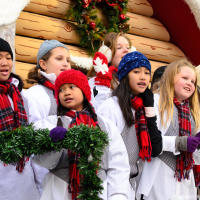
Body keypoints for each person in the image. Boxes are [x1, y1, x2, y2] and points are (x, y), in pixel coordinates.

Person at [32, 69, 130, 200]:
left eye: (72, 87)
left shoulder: (104, 125)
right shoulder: (51, 123)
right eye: (61, 90)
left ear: (84, 90)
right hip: (59, 191)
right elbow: (43, 162)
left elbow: (118, 163)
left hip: (97, 191)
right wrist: (54, 143)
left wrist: (118, 195)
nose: (66, 92)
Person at [97, 51, 163, 199]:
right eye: (136, 71)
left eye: (147, 73)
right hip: (109, 185)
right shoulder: (110, 107)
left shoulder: (142, 109)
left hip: (131, 185)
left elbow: (155, 149)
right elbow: (100, 152)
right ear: (125, 75)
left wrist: (149, 107)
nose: (143, 77)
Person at [137, 59, 200, 200]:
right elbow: (148, 138)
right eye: (185, 78)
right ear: (171, 78)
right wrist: (178, 143)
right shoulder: (156, 101)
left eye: (193, 82)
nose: (189, 83)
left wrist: (197, 145)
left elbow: (195, 154)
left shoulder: (192, 113)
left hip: (185, 182)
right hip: (159, 176)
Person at [0, 38, 40, 200]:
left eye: (8, 57)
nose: (4, 63)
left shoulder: (20, 95)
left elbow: (32, 130)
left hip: (23, 174)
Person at [23, 39, 71, 123]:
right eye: (59, 59)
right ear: (43, 64)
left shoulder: (76, 93)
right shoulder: (35, 95)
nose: (66, 63)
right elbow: (33, 130)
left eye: (68, 60)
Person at [87, 32, 135, 109]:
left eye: (128, 48)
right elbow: (97, 110)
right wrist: (102, 81)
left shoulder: (135, 81)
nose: (126, 50)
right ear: (107, 54)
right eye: (119, 48)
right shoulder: (95, 82)